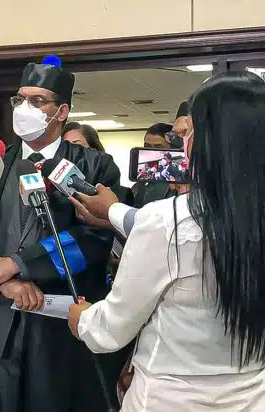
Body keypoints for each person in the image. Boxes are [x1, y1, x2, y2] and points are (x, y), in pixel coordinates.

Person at [68, 71, 265, 411]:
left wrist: (82, 318)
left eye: (189, 131)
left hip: (169, 398)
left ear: (211, 140)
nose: (181, 140)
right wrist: (113, 211)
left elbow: (110, 330)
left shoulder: (167, 220)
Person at [0, 57, 121, 412]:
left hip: (58, 318)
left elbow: (93, 239)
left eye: (37, 101)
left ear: (61, 112)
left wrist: (18, 264)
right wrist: (4, 283)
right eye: (20, 99)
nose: (24, 108)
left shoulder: (93, 166)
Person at [131, 122, 176, 208]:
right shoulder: (139, 185)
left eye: (158, 147)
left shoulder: (180, 184)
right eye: (147, 146)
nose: (151, 151)